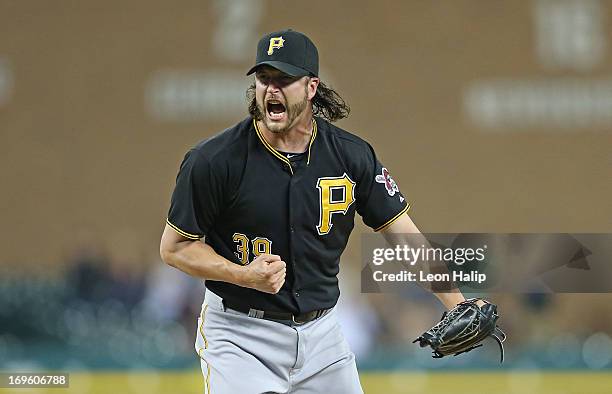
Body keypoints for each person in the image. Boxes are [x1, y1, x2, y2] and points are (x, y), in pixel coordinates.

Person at [160, 29, 468, 394]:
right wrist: (241, 275)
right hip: (240, 335)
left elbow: (404, 236)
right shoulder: (214, 160)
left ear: (311, 87)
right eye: (264, 78)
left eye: (284, 79)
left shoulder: (350, 155)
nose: (271, 89)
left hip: (322, 336)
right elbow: (175, 248)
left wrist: (457, 303)